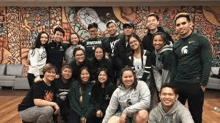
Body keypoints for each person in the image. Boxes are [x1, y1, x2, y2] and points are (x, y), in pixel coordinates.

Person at [173, 13, 212, 123]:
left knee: (195, 115)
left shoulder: (201, 40)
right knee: (176, 115)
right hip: (179, 83)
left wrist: (203, 83)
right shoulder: (176, 44)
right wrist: (173, 83)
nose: (181, 26)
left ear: (191, 24)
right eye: (178, 24)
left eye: (184, 23)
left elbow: (207, 62)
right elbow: (175, 65)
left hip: (195, 83)